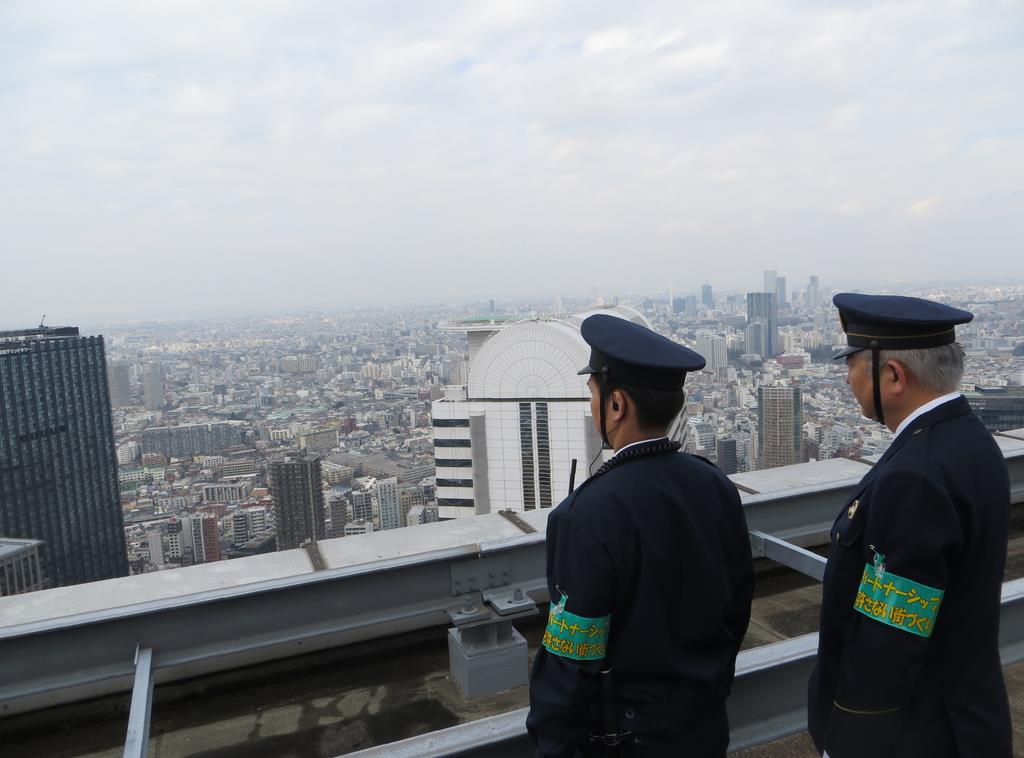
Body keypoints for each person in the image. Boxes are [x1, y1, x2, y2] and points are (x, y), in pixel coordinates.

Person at [526, 314, 754, 757]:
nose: (592, 405)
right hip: (703, 730)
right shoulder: (715, 486)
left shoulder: (586, 515)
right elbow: (737, 606)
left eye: (594, 393)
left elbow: (571, 662)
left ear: (617, 405)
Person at [807, 293, 1011, 758]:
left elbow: (889, 638)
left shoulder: (913, 476)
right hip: (967, 718)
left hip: (916, 735)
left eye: (854, 363)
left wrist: (848, 743)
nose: (847, 376)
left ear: (894, 375)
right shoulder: (972, 442)